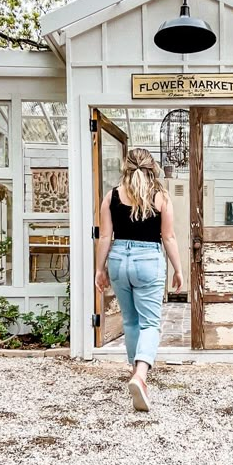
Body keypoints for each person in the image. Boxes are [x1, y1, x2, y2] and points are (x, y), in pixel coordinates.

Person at [95, 148, 183, 412]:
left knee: (130, 322)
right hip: (148, 261)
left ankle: (136, 372)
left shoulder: (111, 196)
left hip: (119, 259)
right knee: (150, 324)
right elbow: (168, 237)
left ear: (126, 167)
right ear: (151, 167)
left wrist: (99, 269)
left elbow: (104, 237)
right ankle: (141, 376)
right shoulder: (161, 197)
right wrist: (178, 269)